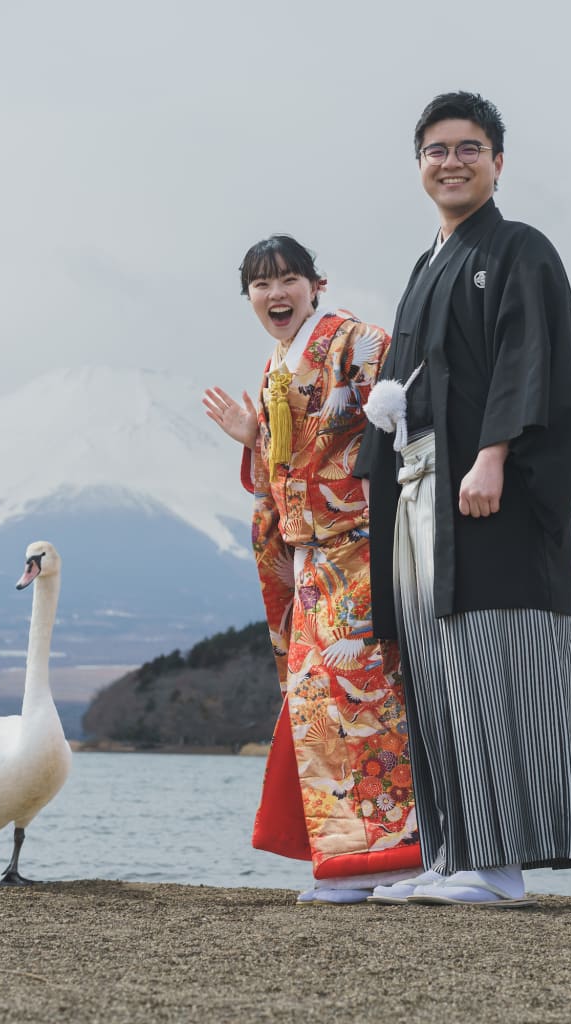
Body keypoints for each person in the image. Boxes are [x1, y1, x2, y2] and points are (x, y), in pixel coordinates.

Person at [355, 92, 571, 906]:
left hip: (486, 496)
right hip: (422, 491)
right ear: (417, 165)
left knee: (490, 662)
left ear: (498, 161)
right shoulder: (427, 265)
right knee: (435, 666)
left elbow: (531, 360)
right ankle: (450, 854)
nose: (451, 162)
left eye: (469, 148)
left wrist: (494, 453)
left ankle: (499, 868)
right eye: (435, 150)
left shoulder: (519, 249)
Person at [203, 235, 421, 904]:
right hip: (313, 555)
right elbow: (287, 465)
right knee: (317, 703)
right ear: (248, 298)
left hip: (354, 542)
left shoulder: (354, 341)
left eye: (289, 278)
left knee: (356, 696)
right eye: (261, 284)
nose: (276, 293)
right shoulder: (277, 365)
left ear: (316, 284)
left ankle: (385, 860)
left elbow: (399, 406)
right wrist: (255, 438)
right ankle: (350, 863)